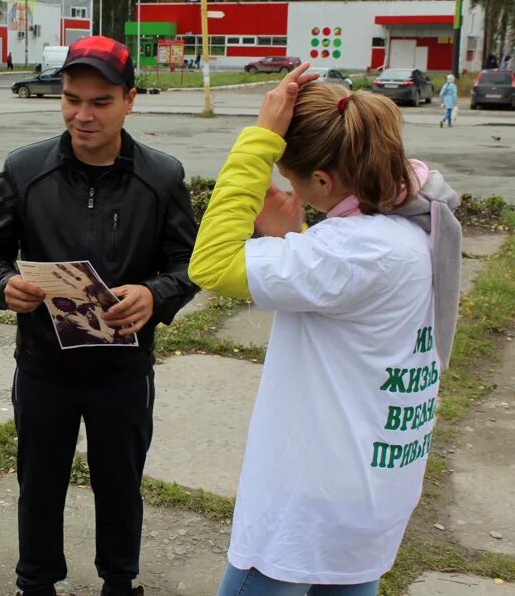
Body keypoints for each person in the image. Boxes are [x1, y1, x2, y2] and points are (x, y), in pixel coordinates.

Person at [189, 65, 461, 595]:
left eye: (292, 178)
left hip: (308, 505)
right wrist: (295, 237)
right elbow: (345, 296)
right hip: (374, 493)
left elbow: (211, 263)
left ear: (323, 181)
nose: (289, 187)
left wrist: (261, 139)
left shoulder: (355, 251)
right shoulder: (418, 221)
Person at [0, 35, 199, 596]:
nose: (83, 114)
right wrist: (5, 285)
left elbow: (189, 261)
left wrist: (155, 294)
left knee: (120, 483)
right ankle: (36, 582)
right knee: (39, 483)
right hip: (44, 366)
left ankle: (121, 580)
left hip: (123, 371)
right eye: (72, 99)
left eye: (100, 101)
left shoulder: (161, 176)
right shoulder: (25, 170)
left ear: (129, 100)